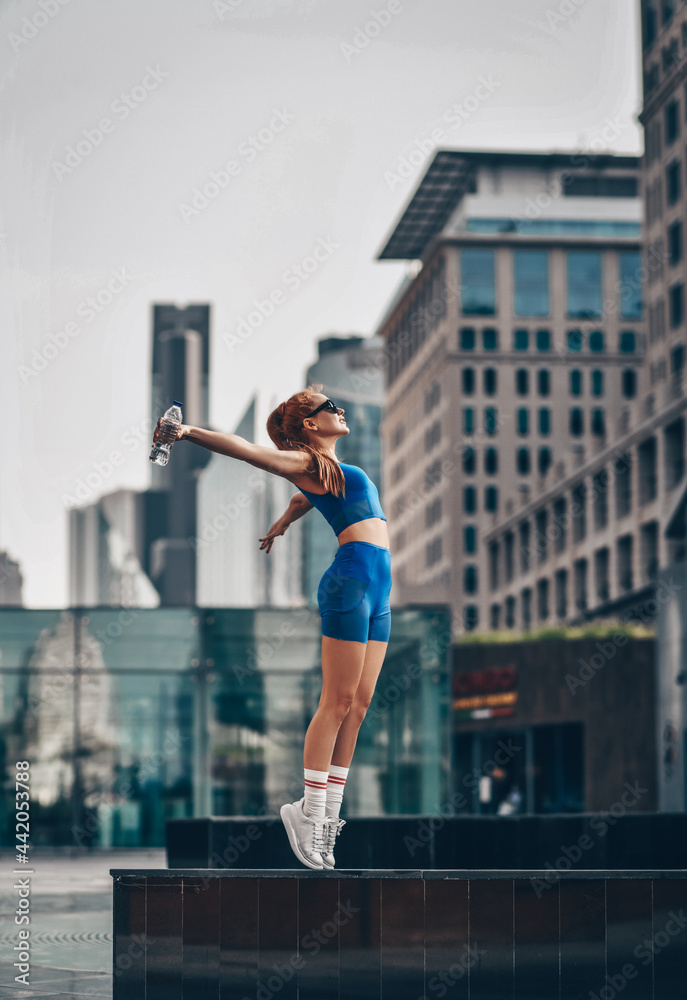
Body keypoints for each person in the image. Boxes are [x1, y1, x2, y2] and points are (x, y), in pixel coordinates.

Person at [153, 384, 391, 870]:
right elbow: (247, 451)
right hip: (351, 580)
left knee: (359, 705)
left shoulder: (329, 471)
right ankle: (308, 811)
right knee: (337, 701)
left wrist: (284, 519)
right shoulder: (306, 462)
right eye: (329, 407)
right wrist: (186, 432)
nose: (340, 409)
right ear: (310, 424)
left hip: (378, 586)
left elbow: (308, 498)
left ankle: (327, 817)